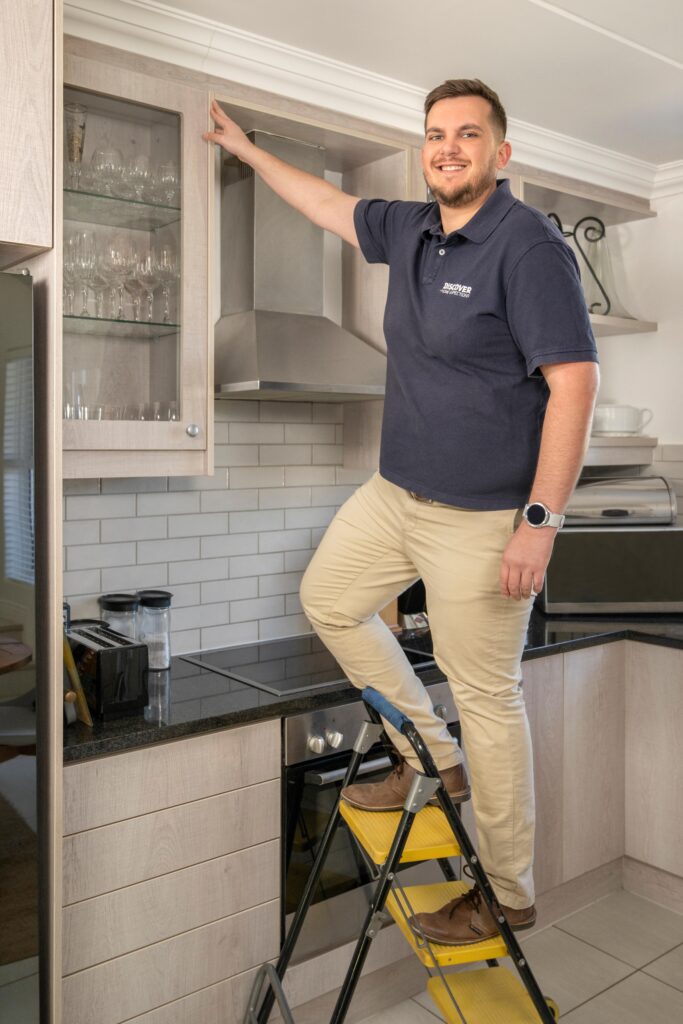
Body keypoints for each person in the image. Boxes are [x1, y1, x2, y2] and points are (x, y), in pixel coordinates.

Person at [203, 78, 599, 945]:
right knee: (329, 597)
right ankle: (431, 753)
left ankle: (505, 891)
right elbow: (324, 202)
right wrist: (245, 151)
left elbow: (574, 386)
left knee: (486, 698)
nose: (446, 147)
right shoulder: (412, 227)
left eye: (466, 134)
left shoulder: (527, 247)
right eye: (433, 134)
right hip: (395, 495)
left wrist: (540, 522)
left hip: (485, 516)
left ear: (501, 153)